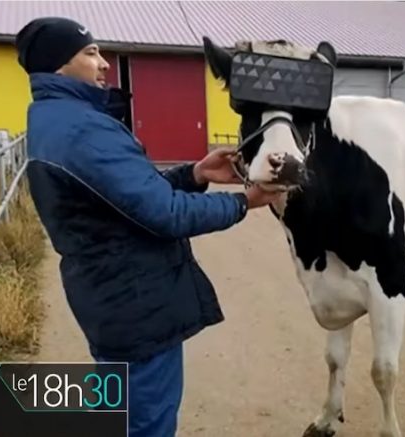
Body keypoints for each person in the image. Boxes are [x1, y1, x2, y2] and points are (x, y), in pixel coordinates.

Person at [14, 16, 279, 437]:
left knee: (118, 413)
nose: (103, 63)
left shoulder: (57, 119)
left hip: (109, 297)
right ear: (58, 65)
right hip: (134, 303)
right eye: (90, 52)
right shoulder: (83, 129)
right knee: (147, 423)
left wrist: (195, 173)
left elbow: (124, 197)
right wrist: (244, 202)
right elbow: (166, 214)